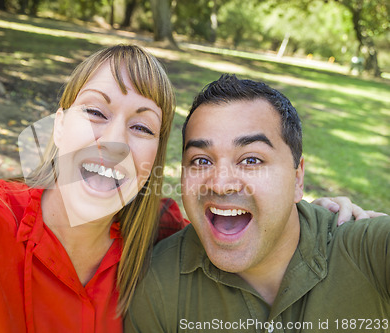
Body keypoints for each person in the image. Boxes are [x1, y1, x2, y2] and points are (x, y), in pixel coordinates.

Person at [0, 45, 375, 333]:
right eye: (96, 112)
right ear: (58, 128)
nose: (116, 142)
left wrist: (315, 211)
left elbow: (249, 213)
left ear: (152, 162)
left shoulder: (164, 234)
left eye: (142, 128)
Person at [125, 74, 389, 332]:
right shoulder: (157, 284)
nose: (220, 184)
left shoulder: (370, 251)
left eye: (251, 160)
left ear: (297, 179)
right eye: (201, 160)